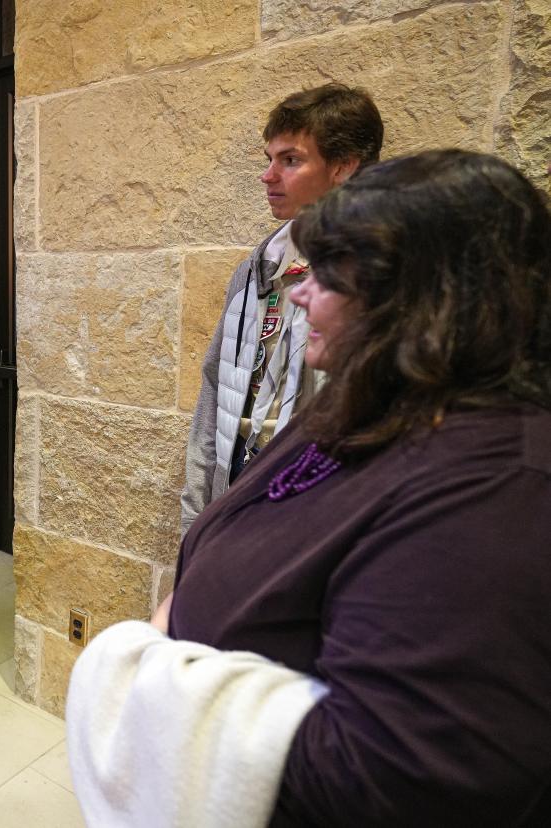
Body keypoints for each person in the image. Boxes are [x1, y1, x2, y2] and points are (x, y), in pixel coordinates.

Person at [66, 150, 551, 826]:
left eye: (326, 276)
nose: (300, 293)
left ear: (417, 296)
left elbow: (397, 781)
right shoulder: (375, 396)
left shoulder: (499, 489)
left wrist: (134, 668)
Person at [180, 83, 384, 535]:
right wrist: (197, 515)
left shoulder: (375, 278)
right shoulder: (257, 270)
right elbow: (217, 387)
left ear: (344, 167)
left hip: (314, 517)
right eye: (269, 159)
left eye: (290, 160)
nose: (268, 175)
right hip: (236, 497)